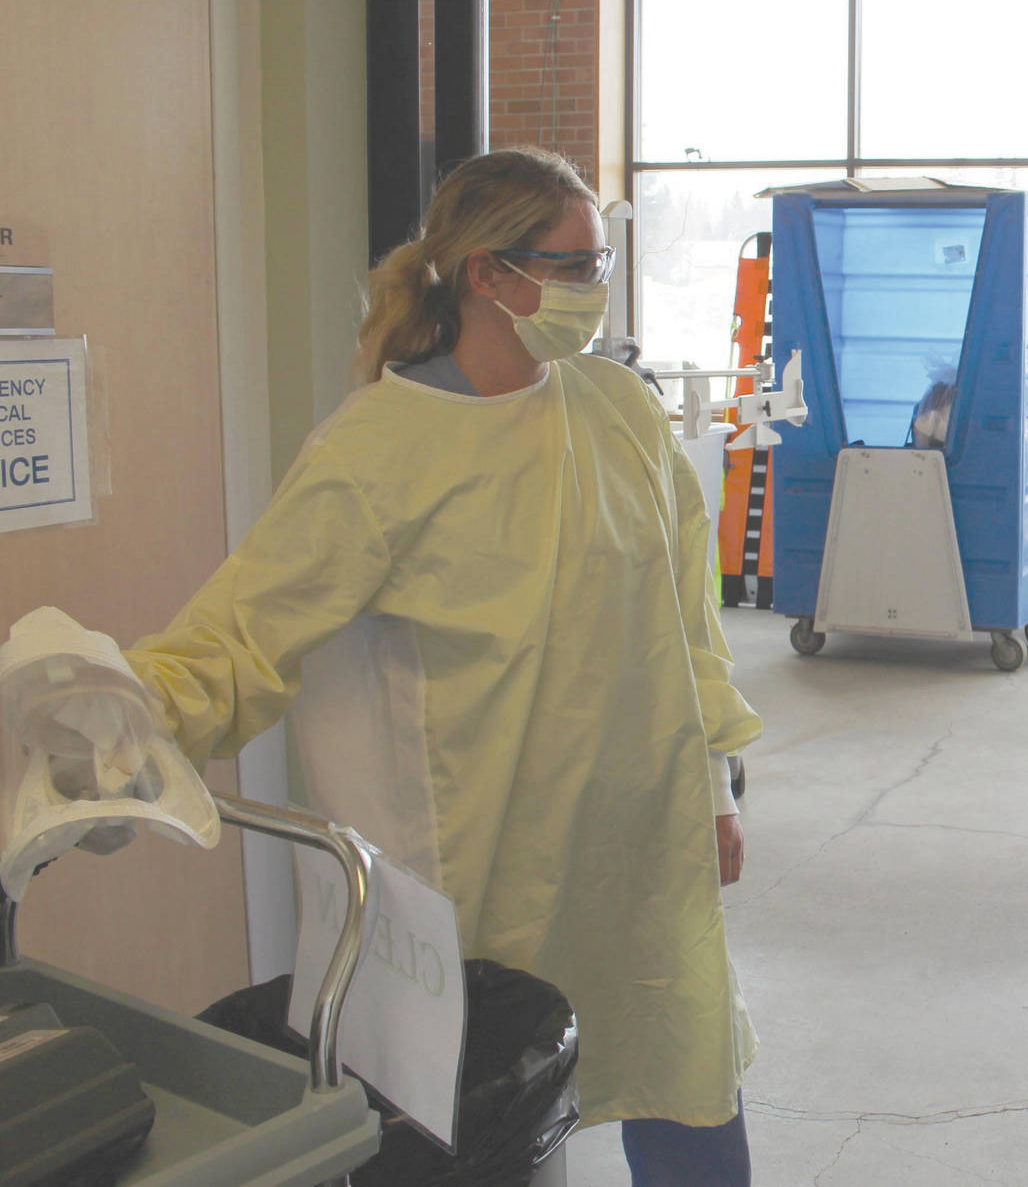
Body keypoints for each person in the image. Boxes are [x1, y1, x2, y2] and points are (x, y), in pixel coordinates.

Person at [123, 147, 761, 1186]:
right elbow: (244, 632)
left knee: (681, 1061)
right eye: (570, 266)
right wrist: (118, 722)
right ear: (486, 275)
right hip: (488, 857)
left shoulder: (619, 413)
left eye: (600, 262)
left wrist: (709, 783)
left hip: (639, 845)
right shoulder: (379, 444)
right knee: (505, 1111)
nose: (592, 291)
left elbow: (684, 625)